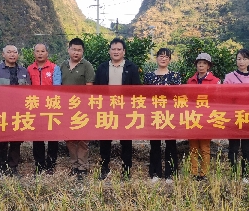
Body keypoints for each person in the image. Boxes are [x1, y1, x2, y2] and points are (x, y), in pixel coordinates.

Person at [94, 38, 141, 180]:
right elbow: (96, 89)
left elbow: (137, 90)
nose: (116, 52)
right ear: (109, 51)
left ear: (124, 52)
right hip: (106, 109)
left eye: (119, 49)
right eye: (113, 49)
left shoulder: (131, 68)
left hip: (125, 110)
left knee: (126, 140)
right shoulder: (102, 68)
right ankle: (104, 167)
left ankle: (126, 169)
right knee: (105, 140)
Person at [0, 45, 31, 177]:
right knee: (1, 140)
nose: (12, 54)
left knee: (16, 140)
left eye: (15, 52)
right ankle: (1, 166)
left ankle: (13, 166)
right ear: (3, 54)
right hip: (1, 111)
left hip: (18, 111)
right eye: (9, 52)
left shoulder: (23, 71)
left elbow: (28, 90)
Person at [144, 48, 182, 183]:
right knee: (155, 144)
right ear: (157, 58)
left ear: (170, 60)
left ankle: (170, 174)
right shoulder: (149, 76)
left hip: (170, 115)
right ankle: (155, 173)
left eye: (166, 56)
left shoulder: (175, 76)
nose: (163, 58)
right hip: (153, 115)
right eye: (161, 56)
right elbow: (145, 96)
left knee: (170, 144)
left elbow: (178, 96)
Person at [60, 38, 95, 180]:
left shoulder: (87, 66)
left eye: (79, 50)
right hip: (66, 108)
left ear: (83, 52)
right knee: (69, 138)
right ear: (68, 50)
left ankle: (82, 167)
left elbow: (89, 88)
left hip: (82, 108)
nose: (76, 52)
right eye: (74, 49)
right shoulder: (62, 66)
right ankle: (74, 165)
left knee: (82, 138)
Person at [223, 48, 249, 182]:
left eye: (244, 59)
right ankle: (233, 173)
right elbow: (224, 96)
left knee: (247, 148)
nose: (241, 62)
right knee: (233, 147)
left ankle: (245, 175)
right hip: (233, 115)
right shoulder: (229, 76)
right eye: (239, 59)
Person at [26, 43, 61, 175]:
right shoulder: (29, 69)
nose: (40, 53)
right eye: (37, 51)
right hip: (35, 107)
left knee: (52, 137)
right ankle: (39, 165)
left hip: (51, 106)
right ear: (34, 53)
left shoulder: (54, 68)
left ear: (47, 53)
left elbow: (57, 87)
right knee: (37, 137)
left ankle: (51, 165)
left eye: (43, 51)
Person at [186, 53, 221, 181]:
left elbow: (218, 99)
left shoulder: (216, 81)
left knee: (205, 147)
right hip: (193, 116)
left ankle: (204, 173)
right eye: (199, 63)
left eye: (204, 63)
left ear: (208, 66)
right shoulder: (191, 81)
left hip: (207, 117)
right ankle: (194, 172)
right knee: (193, 147)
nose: (201, 65)